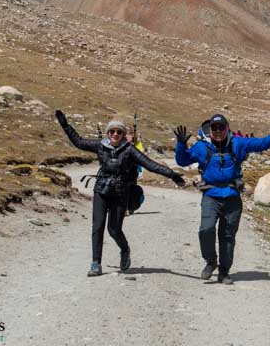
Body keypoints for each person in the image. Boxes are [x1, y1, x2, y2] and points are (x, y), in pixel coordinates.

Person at [56, 110, 185, 277]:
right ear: (108, 133)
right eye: (112, 131)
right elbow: (78, 142)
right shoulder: (100, 145)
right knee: (98, 226)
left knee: (114, 229)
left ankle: (125, 250)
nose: (115, 134)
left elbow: (150, 164)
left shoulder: (130, 150)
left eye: (119, 131)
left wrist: (172, 175)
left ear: (123, 134)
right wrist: (65, 126)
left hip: (120, 192)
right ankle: (96, 263)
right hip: (101, 189)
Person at [173, 113, 270, 284]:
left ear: (227, 129)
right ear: (210, 130)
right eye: (214, 128)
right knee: (206, 229)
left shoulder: (238, 144)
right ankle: (211, 262)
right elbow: (181, 161)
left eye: (221, 128)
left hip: (232, 197)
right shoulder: (201, 147)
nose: (218, 131)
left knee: (227, 236)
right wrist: (181, 144)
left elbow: (261, 144)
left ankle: (224, 272)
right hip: (211, 195)